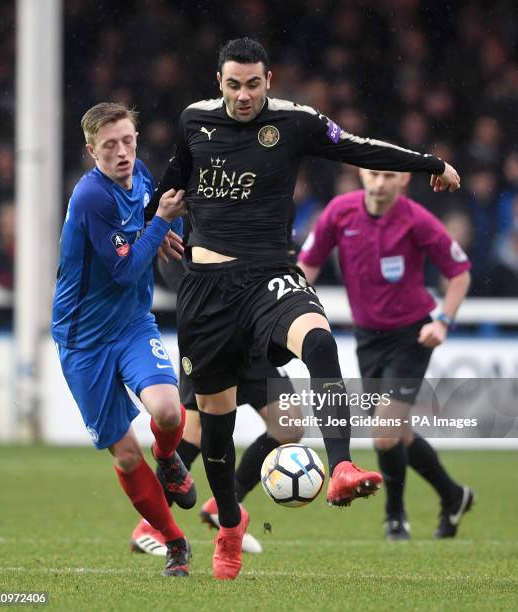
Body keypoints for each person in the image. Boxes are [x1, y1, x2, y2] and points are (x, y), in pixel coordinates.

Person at [155, 37, 460, 579]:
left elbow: (358, 148)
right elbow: (171, 182)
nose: (244, 95)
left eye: (253, 84)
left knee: (319, 341)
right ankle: (229, 525)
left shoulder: (295, 122)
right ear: (218, 81)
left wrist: (429, 161)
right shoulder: (193, 121)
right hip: (206, 290)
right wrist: (156, 226)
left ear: (268, 80)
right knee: (217, 428)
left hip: (269, 272)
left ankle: (340, 465)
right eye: (233, 84)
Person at [51, 102, 194, 577]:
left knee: (170, 411)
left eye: (128, 140)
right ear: (92, 151)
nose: (122, 152)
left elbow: (156, 216)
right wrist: (159, 227)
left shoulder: (143, 175)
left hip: (132, 323)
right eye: (109, 145)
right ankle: (174, 542)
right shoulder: (91, 196)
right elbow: (126, 266)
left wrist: (166, 229)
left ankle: (168, 458)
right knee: (126, 452)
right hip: (83, 339)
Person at [298, 168, 475, 540]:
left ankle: (395, 516)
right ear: (362, 174)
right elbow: (307, 265)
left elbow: (459, 272)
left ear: (403, 181)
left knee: (384, 432)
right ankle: (453, 495)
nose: (380, 183)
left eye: (388, 176)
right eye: (374, 174)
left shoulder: (416, 219)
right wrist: (289, 309)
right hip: (367, 337)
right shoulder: (339, 212)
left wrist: (442, 321)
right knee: (398, 432)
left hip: (412, 335)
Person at [130, 251, 304, 557]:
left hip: (250, 333)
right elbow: (172, 263)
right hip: (211, 332)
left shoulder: (261, 210)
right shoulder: (195, 214)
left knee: (289, 423)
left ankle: (225, 503)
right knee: (194, 433)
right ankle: (150, 524)